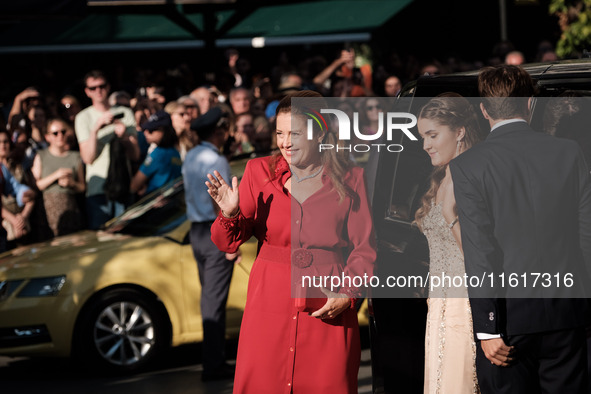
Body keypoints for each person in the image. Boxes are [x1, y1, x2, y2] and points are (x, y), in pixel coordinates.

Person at [207, 90, 376, 393]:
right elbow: (226, 242)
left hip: (328, 307)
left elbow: (365, 250)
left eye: (295, 133)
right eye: (280, 133)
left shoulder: (352, 178)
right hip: (267, 306)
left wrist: (347, 294)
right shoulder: (258, 171)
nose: (285, 142)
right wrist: (229, 213)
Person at [450, 65, 591, 393]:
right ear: (530, 103)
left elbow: (480, 250)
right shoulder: (569, 152)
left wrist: (487, 328)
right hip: (567, 313)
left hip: (507, 321)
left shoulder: (468, 165)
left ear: (484, 110)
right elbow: (586, 235)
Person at [414, 95, 482, 393]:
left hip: (466, 305)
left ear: (460, 131)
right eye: (423, 137)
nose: (426, 145)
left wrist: (451, 217)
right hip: (439, 306)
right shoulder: (443, 177)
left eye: (432, 135)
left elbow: (479, 254)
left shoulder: (471, 176)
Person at [181, 106, 236, 382]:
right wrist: (230, 242)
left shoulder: (190, 155)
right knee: (213, 302)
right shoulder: (217, 159)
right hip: (213, 233)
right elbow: (221, 203)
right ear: (218, 132)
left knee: (210, 298)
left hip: (196, 232)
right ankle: (213, 364)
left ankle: (214, 360)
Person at [75, 70, 139, 230]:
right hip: (98, 188)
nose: (98, 90)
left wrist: (124, 136)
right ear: (87, 91)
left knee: (125, 237)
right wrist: (95, 130)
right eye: (93, 88)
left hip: (122, 184)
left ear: (108, 87)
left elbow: (135, 155)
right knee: (101, 238)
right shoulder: (83, 117)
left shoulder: (125, 112)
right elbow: (88, 158)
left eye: (101, 86)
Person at [32, 118, 85, 237]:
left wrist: (72, 184)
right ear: (47, 137)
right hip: (48, 208)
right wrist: (56, 175)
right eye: (55, 133)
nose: (60, 136)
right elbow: (36, 185)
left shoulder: (75, 157)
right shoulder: (41, 155)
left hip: (70, 206)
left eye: (63, 132)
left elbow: (82, 187)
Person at [130, 110, 182, 196]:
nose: (146, 133)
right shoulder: (175, 152)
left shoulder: (157, 154)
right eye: (145, 129)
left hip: (158, 204)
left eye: (151, 130)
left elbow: (134, 186)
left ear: (164, 130)